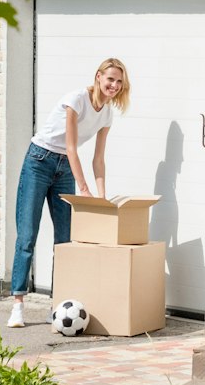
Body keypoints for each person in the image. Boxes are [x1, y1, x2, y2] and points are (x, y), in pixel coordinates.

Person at [7, 58, 130, 329]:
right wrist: (83, 188)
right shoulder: (76, 99)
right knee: (27, 235)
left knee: (64, 242)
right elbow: (73, 148)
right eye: (110, 79)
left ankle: (58, 304)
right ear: (98, 76)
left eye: (119, 82)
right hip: (39, 160)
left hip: (64, 170)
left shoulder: (107, 113)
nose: (114, 85)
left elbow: (98, 158)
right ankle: (18, 304)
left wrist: (101, 196)